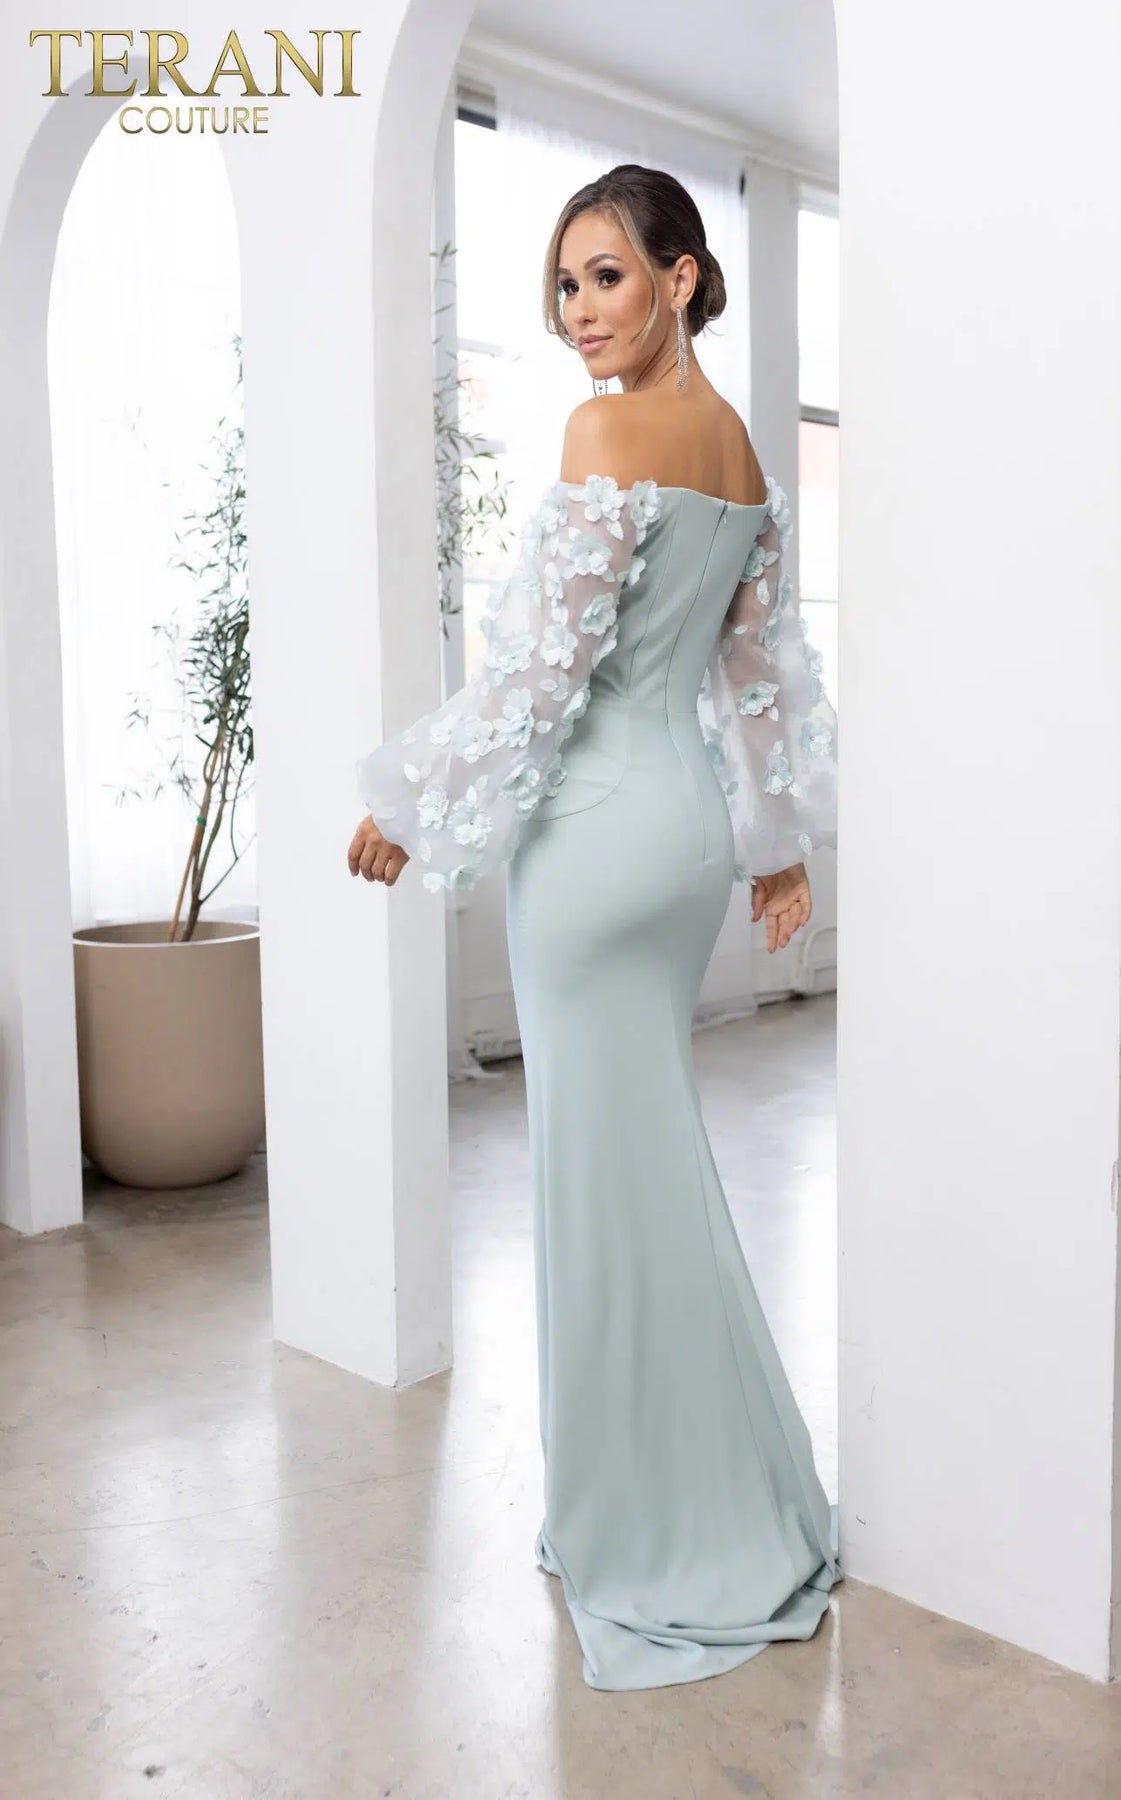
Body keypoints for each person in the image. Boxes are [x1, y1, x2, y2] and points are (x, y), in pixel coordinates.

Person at [348, 164, 841, 1692]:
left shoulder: (605, 433)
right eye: (564, 285)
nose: (579, 312)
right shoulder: (741, 451)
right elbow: (758, 671)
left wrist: (415, 798)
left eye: (607, 275)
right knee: (649, 1168)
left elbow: (537, 679)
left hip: (591, 844)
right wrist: (773, 850)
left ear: (680, 278)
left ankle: (638, 1526)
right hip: (680, 838)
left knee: (594, 1180)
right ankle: (711, 1496)